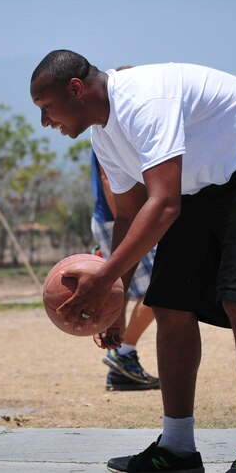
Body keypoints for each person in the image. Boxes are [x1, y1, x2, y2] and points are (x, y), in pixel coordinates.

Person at [31, 50, 236, 473]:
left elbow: (164, 205)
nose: (45, 122)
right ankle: (178, 448)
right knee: (169, 304)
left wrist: (104, 275)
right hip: (203, 184)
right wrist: (115, 300)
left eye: (46, 108)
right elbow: (128, 215)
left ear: (76, 89)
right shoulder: (103, 134)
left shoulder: (143, 100)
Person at [91, 149, 159, 391]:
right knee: (158, 288)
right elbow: (108, 177)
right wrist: (132, 224)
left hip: (122, 218)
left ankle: (121, 366)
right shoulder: (106, 127)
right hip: (120, 219)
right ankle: (123, 354)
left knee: (126, 291)